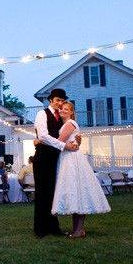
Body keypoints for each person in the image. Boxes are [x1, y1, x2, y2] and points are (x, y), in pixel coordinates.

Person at [51, 101, 111, 238]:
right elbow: (65, 142)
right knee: (75, 192)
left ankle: (79, 230)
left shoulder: (70, 123)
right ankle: (77, 230)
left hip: (73, 160)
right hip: (68, 158)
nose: (63, 111)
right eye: (61, 109)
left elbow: (58, 142)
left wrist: (45, 140)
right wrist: (73, 143)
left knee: (77, 191)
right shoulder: (66, 124)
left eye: (66, 109)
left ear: (72, 112)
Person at [32, 88, 80, 237]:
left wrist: (77, 140)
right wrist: (64, 145)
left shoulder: (62, 118)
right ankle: (40, 230)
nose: (60, 103)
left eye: (62, 100)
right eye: (57, 100)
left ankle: (53, 228)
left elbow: (71, 134)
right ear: (51, 100)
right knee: (42, 193)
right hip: (42, 158)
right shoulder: (42, 114)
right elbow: (44, 136)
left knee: (53, 194)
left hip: (56, 159)